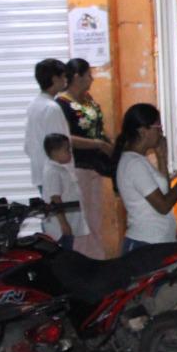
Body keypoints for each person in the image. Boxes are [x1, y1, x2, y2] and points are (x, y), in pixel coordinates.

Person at [113, 103, 177, 254]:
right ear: (143, 131)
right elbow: (163, 206)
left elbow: (164, 191)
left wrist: (162, 157)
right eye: (158, 127)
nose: (161, 132)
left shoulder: (140, 160)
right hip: (145, 244)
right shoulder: (134, 164)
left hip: (157, 240)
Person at [56, 58, 114, 257]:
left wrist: (109, 145)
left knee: (95, 217)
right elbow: (64, 138)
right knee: (82, 219)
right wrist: (97, 145)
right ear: (77, 77)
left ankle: (96, 258)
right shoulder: (62, 104)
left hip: (95, 166)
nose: (92, 78)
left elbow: (98, 128)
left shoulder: (88, 100)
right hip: (77, 167)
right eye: (88, 74)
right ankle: (82, 260)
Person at [25, 58, 70, 197]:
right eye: (63, 76)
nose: (65, 80)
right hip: (55, 175)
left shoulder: (34, 105)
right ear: (55, 79)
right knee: (61, 216)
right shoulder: (52, 108)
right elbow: (60, 147)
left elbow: (27, 146)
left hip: (40, 172)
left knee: (51, 215)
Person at [41, 134, 86, 250]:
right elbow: (55, 199)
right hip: (59, 227)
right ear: (54, 152)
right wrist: (64, 224)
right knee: (64, 254)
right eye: (67, 150)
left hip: (67, 222)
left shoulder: (59, 168)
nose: (70, 153)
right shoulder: (53, 172)